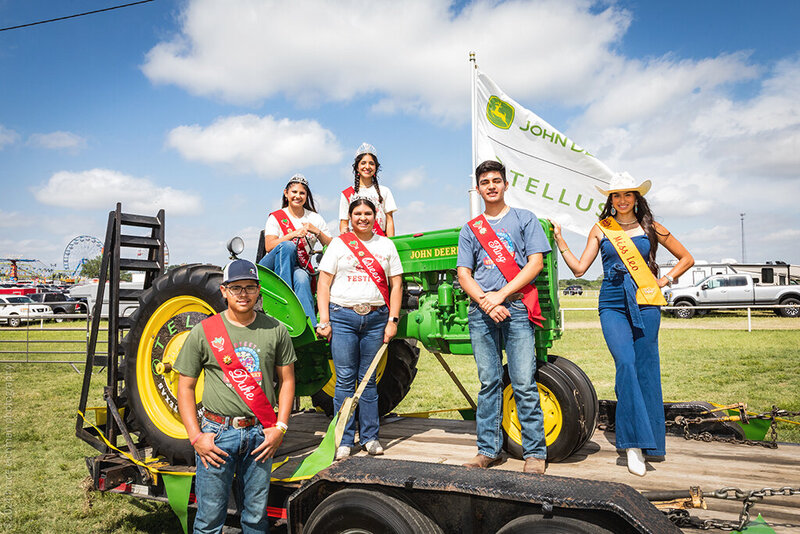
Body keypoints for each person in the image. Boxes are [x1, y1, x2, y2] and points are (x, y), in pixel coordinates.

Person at [551, 171, 693, 476]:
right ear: (610, 200)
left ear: (636, 198)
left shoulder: (650, 227)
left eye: (627, 194)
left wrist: (664, 279)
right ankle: (632, 445)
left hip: (645, 300)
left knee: (646, 369)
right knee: (626, 364)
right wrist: (561, 241)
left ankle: (651, 442)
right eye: (616, 195)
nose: (622, 200)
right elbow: (578, 269)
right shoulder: (602, 228)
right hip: (612, 302)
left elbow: (686, 258)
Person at [174, 259, 296, 533]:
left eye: (250, 287)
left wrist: (281, 428)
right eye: (236, 288)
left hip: (260, 433)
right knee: (209, 521)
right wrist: (196, 437)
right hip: (216, 435)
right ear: (224, 290)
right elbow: (185, 387)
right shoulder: (205, 332)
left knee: (255, 519)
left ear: (258, 290)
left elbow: (287, 381)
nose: (243, 294)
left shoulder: (275, 330)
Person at [456, 160, 549, 475]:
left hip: (517, 308)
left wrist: (501, 295)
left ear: (506, 185)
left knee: (523, 382)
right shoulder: (471, 229)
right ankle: (487, 451)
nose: (491, 186)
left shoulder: (525, 219)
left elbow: (535, 264)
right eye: (485, 182)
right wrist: (486, 301)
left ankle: (535, 454)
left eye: (497, 180)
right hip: (482, 311)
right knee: (489, 382)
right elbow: (464, 274)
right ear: (479, 188)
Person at [317, 196, 403, 460]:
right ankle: (343, 440)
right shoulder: (339, 245)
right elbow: (323, 283)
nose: (363, 218)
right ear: (350, 218)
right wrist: (324, 319)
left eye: (367, 213)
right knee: (344, 379)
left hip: (376, 318)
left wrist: (393, 320)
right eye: (357, 214)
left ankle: (370, 437)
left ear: (375, 216)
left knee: (368, 381)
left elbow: (397, 284)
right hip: (343, 316)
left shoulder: (386, 245)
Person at [260, 174, 332, 326]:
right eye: (294, 192)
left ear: (306, 196)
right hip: (271, 267)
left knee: (301, 277)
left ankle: (310, 327)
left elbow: (332, 245)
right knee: (288, 246)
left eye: (302, 193)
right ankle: (284, 296)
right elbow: (269, 245)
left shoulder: (315, 218)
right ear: (286, 193)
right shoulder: (276, 217)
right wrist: (293, 234)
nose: (297, 196)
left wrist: (317, 231)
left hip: (299, 267)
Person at [338, 143, 398, 237]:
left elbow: (389, 221)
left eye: (371, 163)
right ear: (357, 168)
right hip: (358, 242)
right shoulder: (347, 194)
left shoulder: (385, 191)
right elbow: (344, 222)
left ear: (376, 168)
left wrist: (391, 243)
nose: (367, 166)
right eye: (363, 163)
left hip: (381, 239)